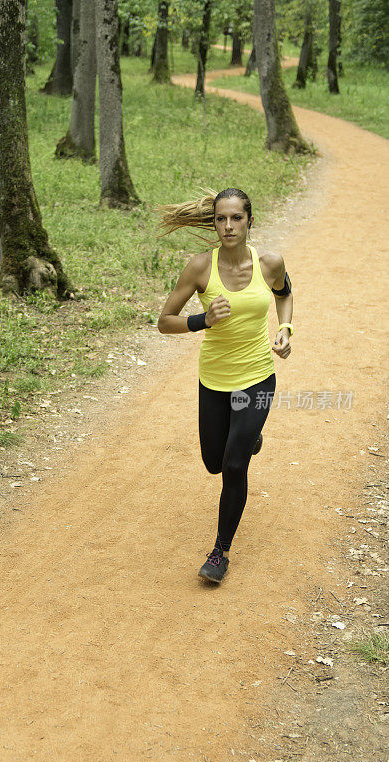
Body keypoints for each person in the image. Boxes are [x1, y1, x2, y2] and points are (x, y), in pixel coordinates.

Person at [156, 187, 293, 584]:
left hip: (257, 377)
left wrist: (285, 328)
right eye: (221, 219)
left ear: (250, 220)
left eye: (236, 218)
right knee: (214, 462)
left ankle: (220, 552)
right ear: (213, 222)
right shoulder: (200, 268)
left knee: (234, 466)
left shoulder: (270, 263)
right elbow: (165, 321)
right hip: (214, 380)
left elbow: (285, 295)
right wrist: (203, 321)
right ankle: (248, 440)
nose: (228, 226)